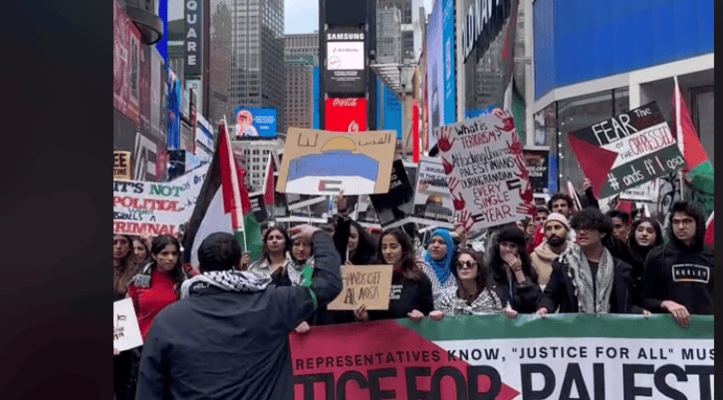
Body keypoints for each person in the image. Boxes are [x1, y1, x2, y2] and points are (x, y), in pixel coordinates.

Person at [136, 226, 342, 399]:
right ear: (238, 264)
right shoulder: (275, 302)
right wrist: (319, 236)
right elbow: (328, 285)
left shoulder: (168, 320)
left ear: (200, 267)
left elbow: (149, 388)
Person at [537, 208, 641, 316]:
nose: (581, 232)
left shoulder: (621, 268)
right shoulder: (564, 265)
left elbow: (628, 304)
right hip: (573, 330)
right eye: (578, 229)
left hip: (609, 330)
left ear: (602, 233)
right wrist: (544, 308)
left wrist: (641, 311)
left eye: (588, 228)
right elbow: (550, 296)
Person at [641, 202, 714, 328]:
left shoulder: (713, 257)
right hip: (670, 335)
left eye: (687, 221)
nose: (681, 226)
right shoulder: (658, 256)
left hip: (707, 335)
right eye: (676, 222)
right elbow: (644, 299)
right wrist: (665, 303)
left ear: (698, 223)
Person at [354, 228, 434, 322]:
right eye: (384, 247)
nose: (388, 252)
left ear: (404, 249)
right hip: (378, 335)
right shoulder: (373, 277)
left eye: (393, 246)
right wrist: (364, 316)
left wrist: (421, 316)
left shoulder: (420, 279)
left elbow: (429, 316)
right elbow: (372, 317)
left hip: (408, 335)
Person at [433, 249, 517, 318]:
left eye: (469, 264)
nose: (465, 267)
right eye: (460, 264)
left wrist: (508, 316)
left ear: (479, 270)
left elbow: (497, 326)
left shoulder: (492, 298)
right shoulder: (447, 296)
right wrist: (436, 316)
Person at [487, 227, 542, 314]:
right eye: (504, 245)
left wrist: (518, 272)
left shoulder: (529, 270)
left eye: (512, 246)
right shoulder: (489, 271)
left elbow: (535, 302)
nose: (507, 250)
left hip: (522, 322)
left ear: (519, 250)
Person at [113, 234, 139, 400]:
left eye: (123, 242)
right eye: (114, 242)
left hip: (125, 325)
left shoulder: (138, 269)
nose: (118, 246)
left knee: (124, 374)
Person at [529, 213, 573, 289]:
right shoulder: (534, 258)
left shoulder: (578, 253)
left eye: (557, 227)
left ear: (567, 230)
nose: (553, 232)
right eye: (549, 228)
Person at [627, 217, 663, 307]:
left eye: (650, 231)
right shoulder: (624, 257)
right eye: (640, 230)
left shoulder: (663, 260)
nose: (644, 234)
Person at [418, 229, 458, 303]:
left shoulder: (455, 269)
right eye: (432, 242)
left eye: (441, 242)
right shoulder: (420, 267)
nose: (435, 245)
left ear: (449, 246)